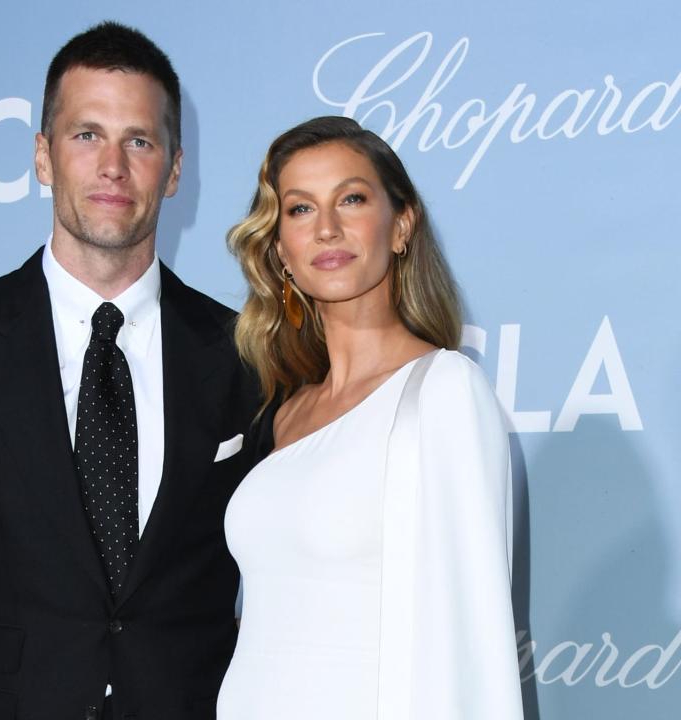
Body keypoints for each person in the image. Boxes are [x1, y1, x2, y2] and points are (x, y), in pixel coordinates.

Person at [0, 22, 264, 720]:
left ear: (173, 169)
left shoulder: (243, 354)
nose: (113, 165)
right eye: (86, 135)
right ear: (43, 157)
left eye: (139, 140)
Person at [217, 116, 523, 719]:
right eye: (300, 210)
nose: (327, 228)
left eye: (351, 199)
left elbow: (471, 639)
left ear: (401, 224)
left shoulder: (442, 391)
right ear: (280, 250)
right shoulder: (281, 413)